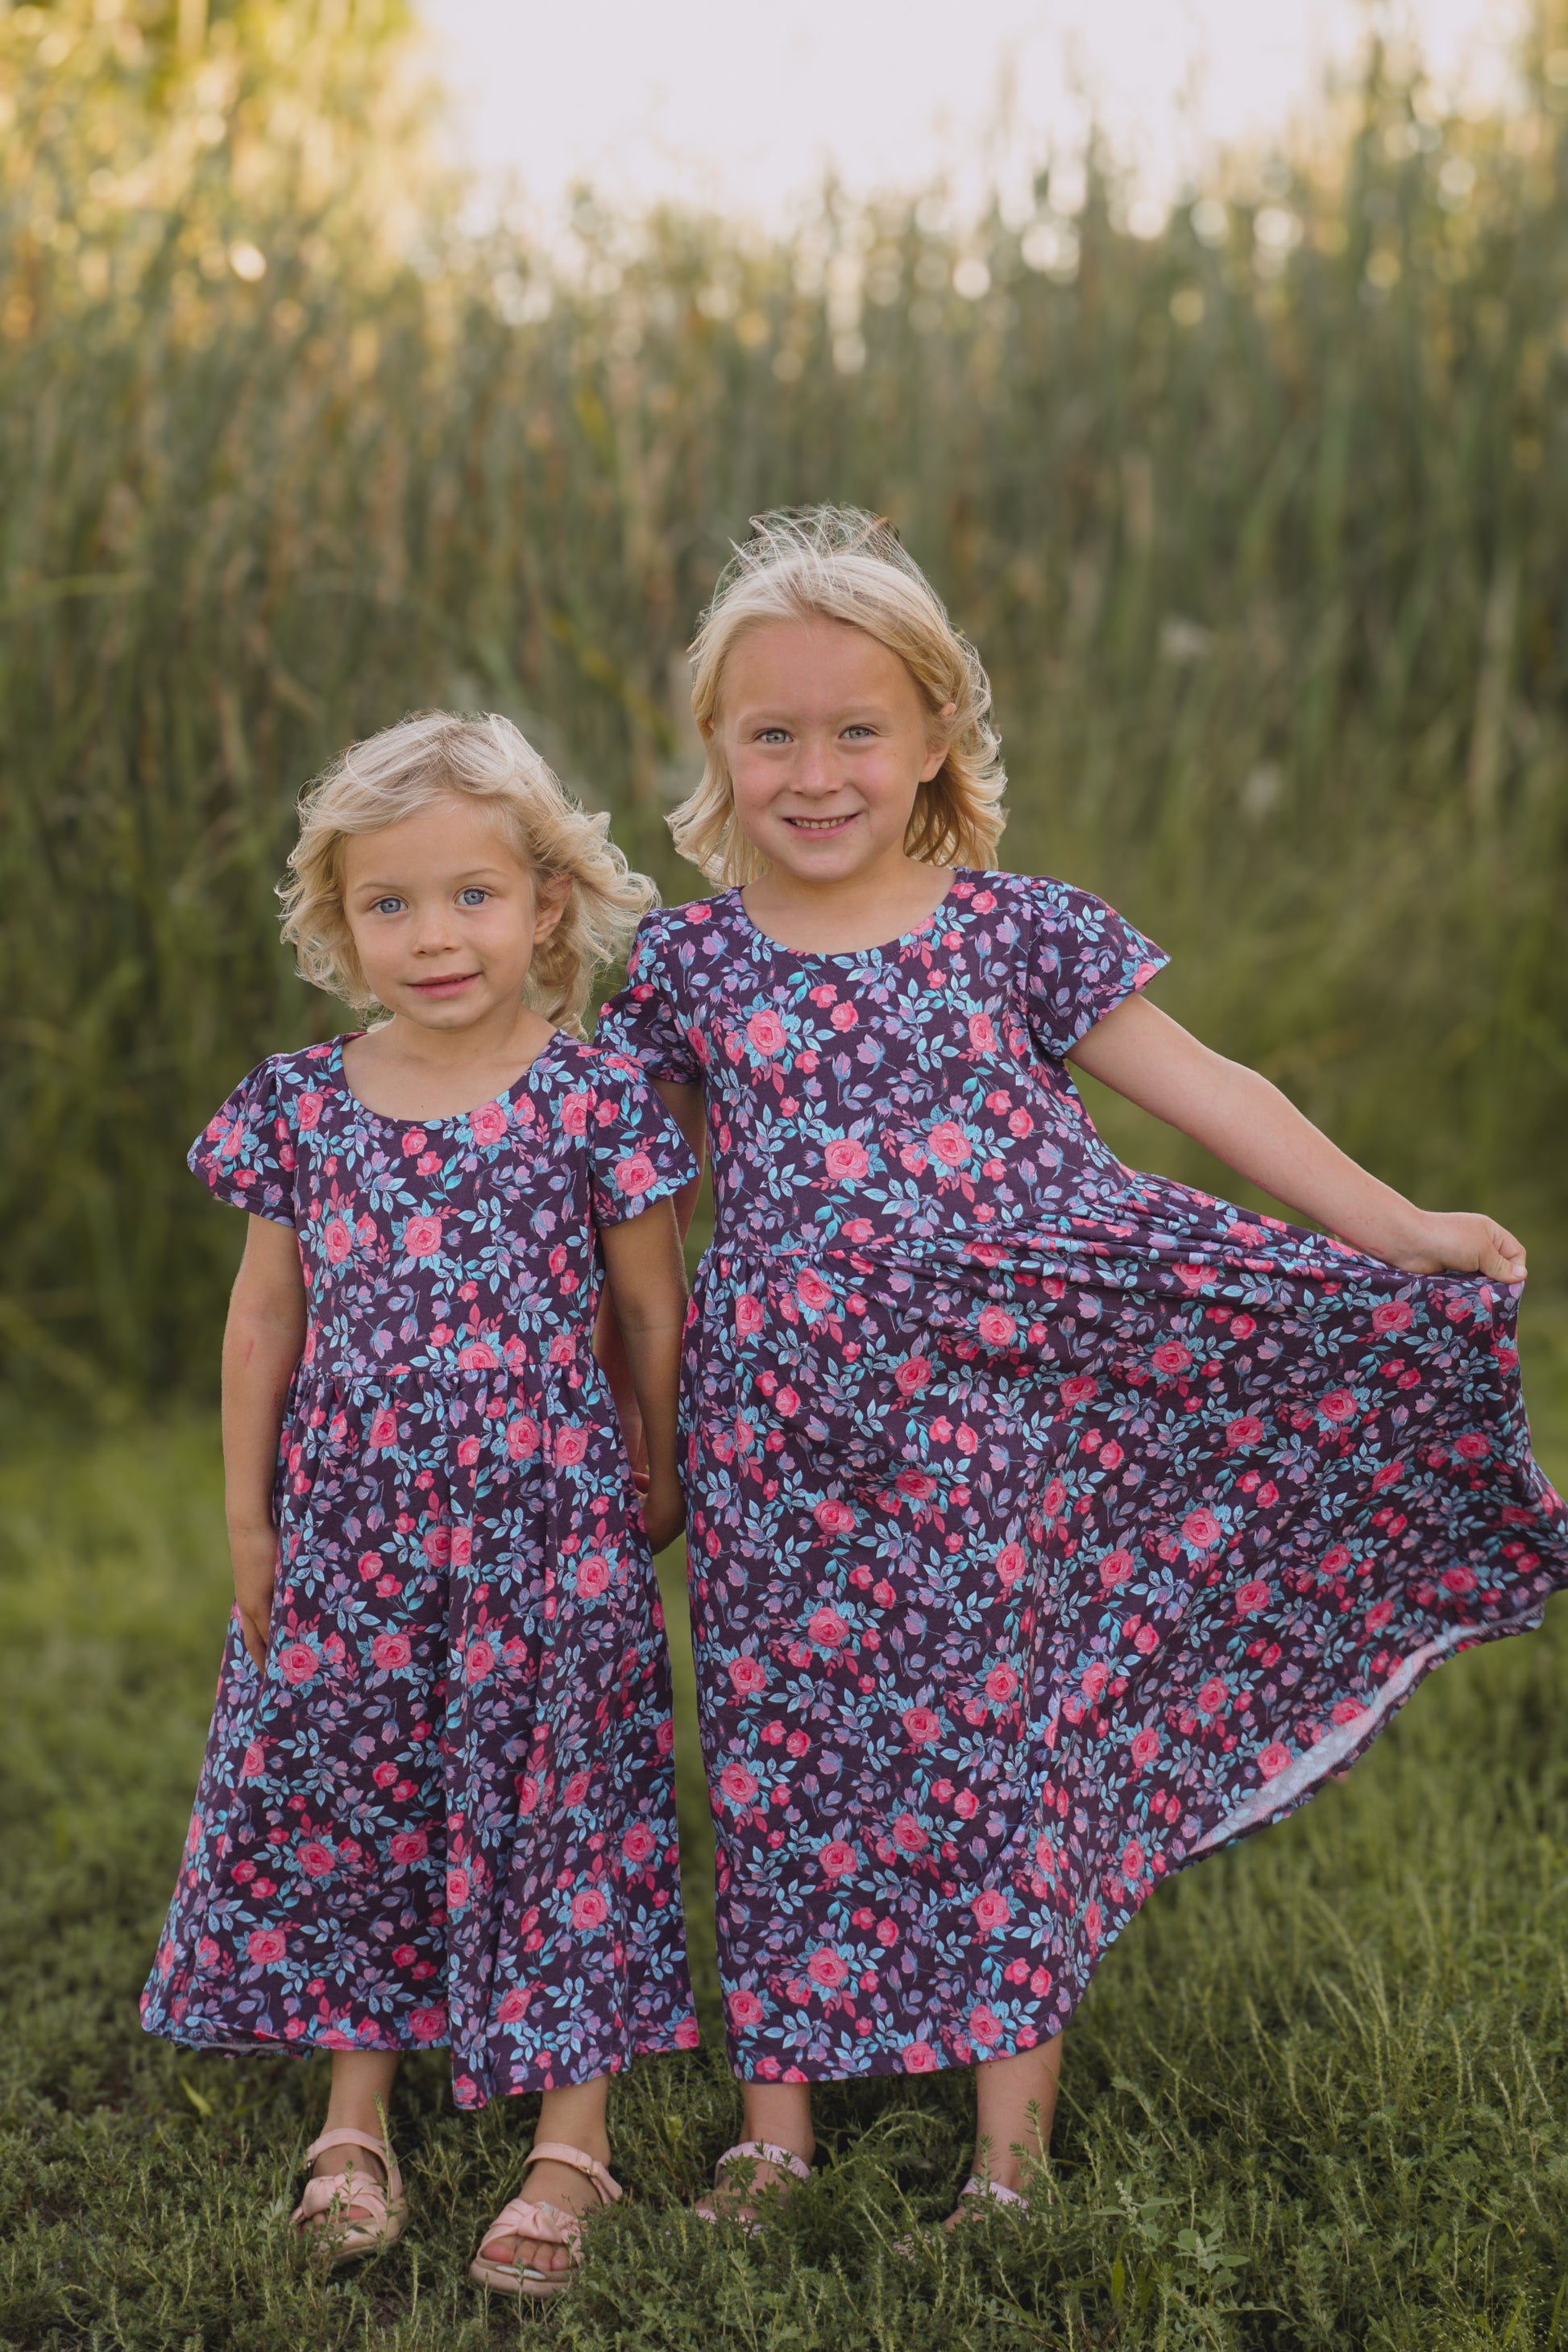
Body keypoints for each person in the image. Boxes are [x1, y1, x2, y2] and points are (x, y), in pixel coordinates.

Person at [595, 506, 1568, 2234]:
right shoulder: (688, 963)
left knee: (994, 1749)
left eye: (857, 731)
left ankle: (1007, 2158)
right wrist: (629, 1421)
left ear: (934, 743)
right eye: (773, 734)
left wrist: (1401, 1223)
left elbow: (1218, 1097)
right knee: (773, 1751)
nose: (815, 771)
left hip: (998, 1428)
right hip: (781, 1438)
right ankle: (777, 2134)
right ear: (715, 749)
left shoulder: (1016, 929)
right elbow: (633, 1219)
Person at [142, 711, 699, 2296]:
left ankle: (569, 2133)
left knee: (570, 1794)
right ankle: (353, 2109)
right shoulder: (302, 1106)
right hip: (350, 1534)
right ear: (338, 923)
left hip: (551, 1532)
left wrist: (650, 1463)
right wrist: (252, 1519)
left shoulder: (596, 1098)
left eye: (470, 896)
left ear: (543, 903)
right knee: (346, 1789)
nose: (434, 935)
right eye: (389, 903)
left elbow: (651, 1307)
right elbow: (263, 1321)